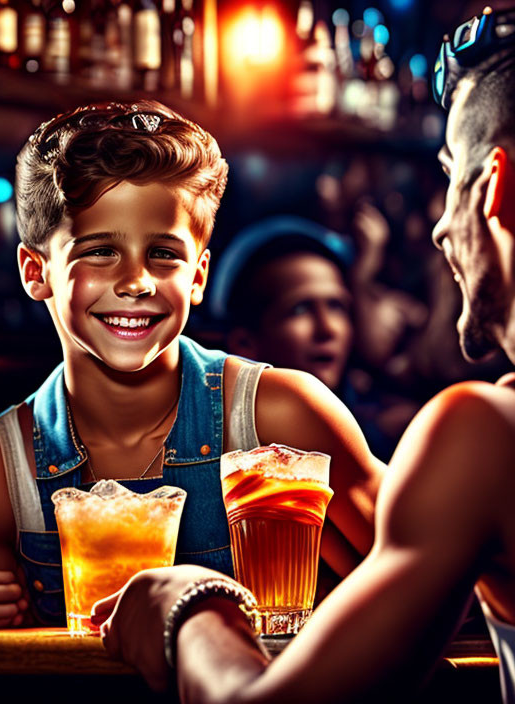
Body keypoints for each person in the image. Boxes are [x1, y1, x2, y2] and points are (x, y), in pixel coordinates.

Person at [93, 8, 515, 702]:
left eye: (451, 179)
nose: (441, 228)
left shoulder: (483, 435)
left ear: (498, 187)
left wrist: (191, 608)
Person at [0, 100, 384, 629]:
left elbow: (430, 575)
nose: (136, 282)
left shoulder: (284, 416)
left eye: (163, 254)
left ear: (198, 276)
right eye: (100, 251)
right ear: (35, 271)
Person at [211, 216, 417, 461]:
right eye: (300, 309)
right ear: (244, 343)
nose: (327, 329)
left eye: (336, 306)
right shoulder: (215, 451)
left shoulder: (399, 435)